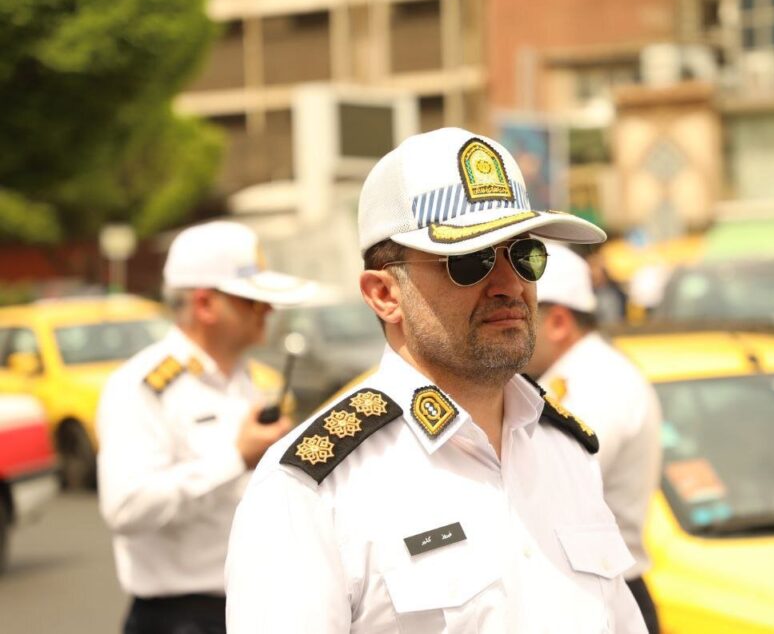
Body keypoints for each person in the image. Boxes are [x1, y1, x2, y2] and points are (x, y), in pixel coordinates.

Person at [225, 127, 647, 632]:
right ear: (385, 294)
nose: (510, 284)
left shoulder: (566, 450)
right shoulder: (311, 489)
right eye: (470, 261)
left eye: (524, 255)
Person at [97, 221, 315, 634]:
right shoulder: (142, 386)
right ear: (205, 305)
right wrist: (235, 458)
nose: (268, 311)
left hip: (256, 607)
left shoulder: (251, 380)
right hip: (182, 618)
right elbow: (126, 507)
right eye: (253, 301)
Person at [524, 242, 663, 633]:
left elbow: (545, 490)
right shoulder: (578, 376)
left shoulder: (597, 383)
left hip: (606, 597)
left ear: (558, 322)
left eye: (519, 316)